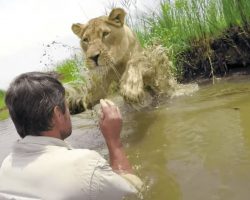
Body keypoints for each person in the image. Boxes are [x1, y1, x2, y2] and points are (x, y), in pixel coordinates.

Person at [0, 72, 142, 200]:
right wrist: (114, 141)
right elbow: (133, 193)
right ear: (58, 114)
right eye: (66, 107)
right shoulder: (84, 165)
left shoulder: (6, 165)